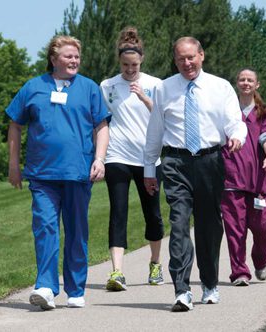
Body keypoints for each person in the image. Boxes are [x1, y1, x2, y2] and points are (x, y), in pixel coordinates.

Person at [6, 36, 111, 310]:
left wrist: (100, 159)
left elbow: (102, 126)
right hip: (42, 175)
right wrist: (13, 165)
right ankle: (46, 286)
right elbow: (15, 124)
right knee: (45, 228)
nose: (74, 61)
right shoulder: (33, 87)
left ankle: (76, 289)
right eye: (68, 56)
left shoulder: (88, 88)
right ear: (54, 59)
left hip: (78, 173)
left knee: (77, 231)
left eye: (76, 56)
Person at [143, 36, 247, 312]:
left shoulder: (220, 87)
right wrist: (149, 168)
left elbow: (235, 122)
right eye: (180, 59)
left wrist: (236, 137)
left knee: (209, 226)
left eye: (191, 57)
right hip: (176, 162)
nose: (186, 63)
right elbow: (155, 131)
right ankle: (182, 289)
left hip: (210, 161)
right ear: (174, 60)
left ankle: (210, 284)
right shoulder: (164, 89)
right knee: (178, 223)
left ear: (201, 56)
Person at [100, 27, 164, 292]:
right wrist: (99, 157)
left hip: (149, 159)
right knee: (118, 212)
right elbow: (101, 121)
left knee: (153, 214)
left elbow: (163, 117)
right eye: (125, 65)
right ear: (119, 62)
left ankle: (155, 263)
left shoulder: (156, 84)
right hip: (117, 156)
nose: (129, 69)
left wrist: (145, 98)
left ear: (142, 60)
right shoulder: (107, 85)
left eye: (134, 64)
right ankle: (117, 271)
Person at [220, 69, 266, 287]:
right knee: (235, 229)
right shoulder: (227, 110)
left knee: (262, 227)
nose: (245, 83)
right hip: (231, 179)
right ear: (237, 83)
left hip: (258, 181)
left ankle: (260, 260)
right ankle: (239, 272)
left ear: (257, 84)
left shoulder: (264, 112)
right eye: (242, 79)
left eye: (250, 80)